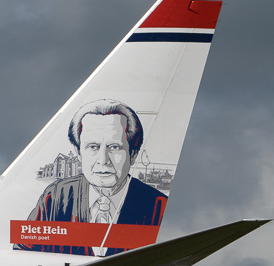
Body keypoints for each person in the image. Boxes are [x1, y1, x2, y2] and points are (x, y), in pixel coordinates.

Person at [17, 99, 166, 256]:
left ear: (133, 155)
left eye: (114, 147)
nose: (103, 160)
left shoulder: (157, 205)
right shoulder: (56, 196)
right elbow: (23, 250)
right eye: (93, 147)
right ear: (79, 153)